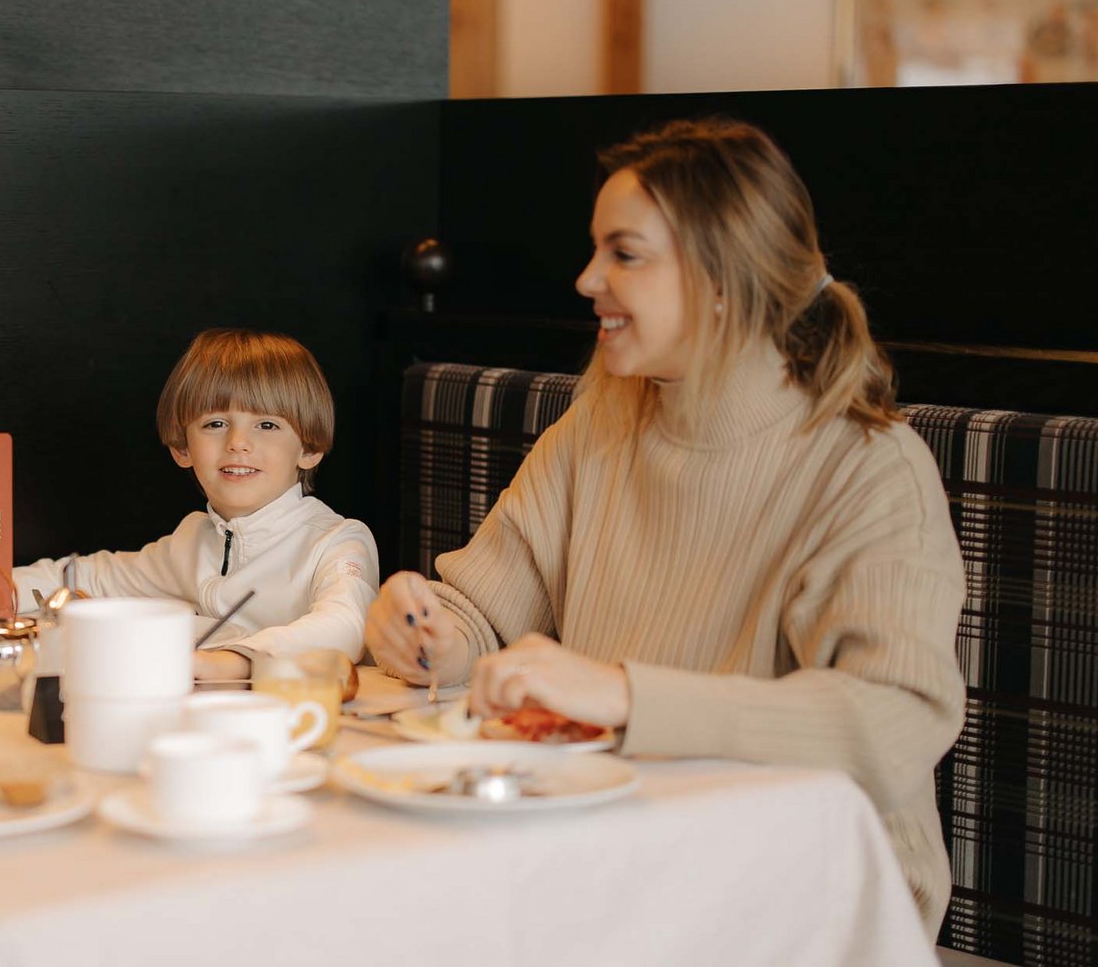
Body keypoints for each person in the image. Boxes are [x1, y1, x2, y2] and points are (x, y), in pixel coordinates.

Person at [365, 119, 964, 931]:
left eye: (624, 253)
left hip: (805, 891)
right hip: (612, 848)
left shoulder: (867, 466)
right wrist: (426, 631)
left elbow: (894, 719)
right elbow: (484, 611)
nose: (586, 279)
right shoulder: (600, 423)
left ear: (725, 277)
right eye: (595, 249)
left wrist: (624, 695)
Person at [13, 328, 378, 681]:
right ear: (182, 448)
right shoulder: (191, 541)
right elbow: (85, 577)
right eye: (216, 423)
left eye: (266, 425)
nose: (238, 442)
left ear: (309, 448)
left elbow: (345, 626)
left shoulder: (339, 541)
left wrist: (229, 661)